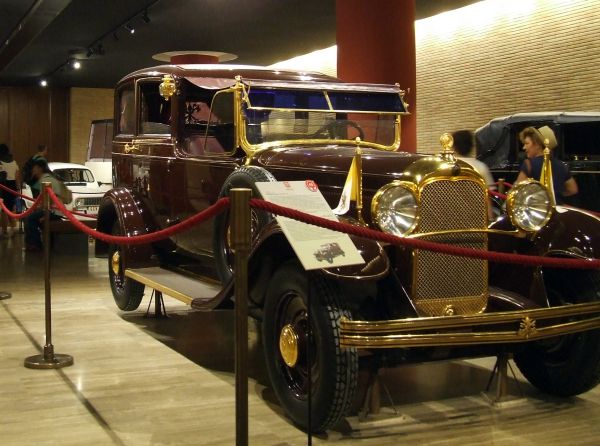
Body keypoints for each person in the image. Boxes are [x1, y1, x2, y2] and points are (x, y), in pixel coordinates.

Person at [515, 126, 578, 204]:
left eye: (527, 143)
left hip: (538, 212)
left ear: (538, 145)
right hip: (557, 211)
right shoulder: (562, 165)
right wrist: (555, 195)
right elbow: (573, 189)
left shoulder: (528, 164)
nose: (524, 147)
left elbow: (517, 191)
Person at [24, 158, 71, 252]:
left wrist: (45, 214)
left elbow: (48, 201)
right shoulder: (50, 178)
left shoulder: (46, 181)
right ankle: (34, 243)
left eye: (34, 168)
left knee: (29, 218)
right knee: (32, 216)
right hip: (57, 210)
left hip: (54, 211)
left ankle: (35, 244)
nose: (33, 170)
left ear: (39, 168)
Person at [0, 144, 21, 238]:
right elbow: (17, 176)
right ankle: (13, 227)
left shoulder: (0, 162)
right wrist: (18, 189)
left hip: (3, 186)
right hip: (12, 187)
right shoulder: (14, 162)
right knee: (10, 208)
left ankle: (4, 230)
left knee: (3, 209)